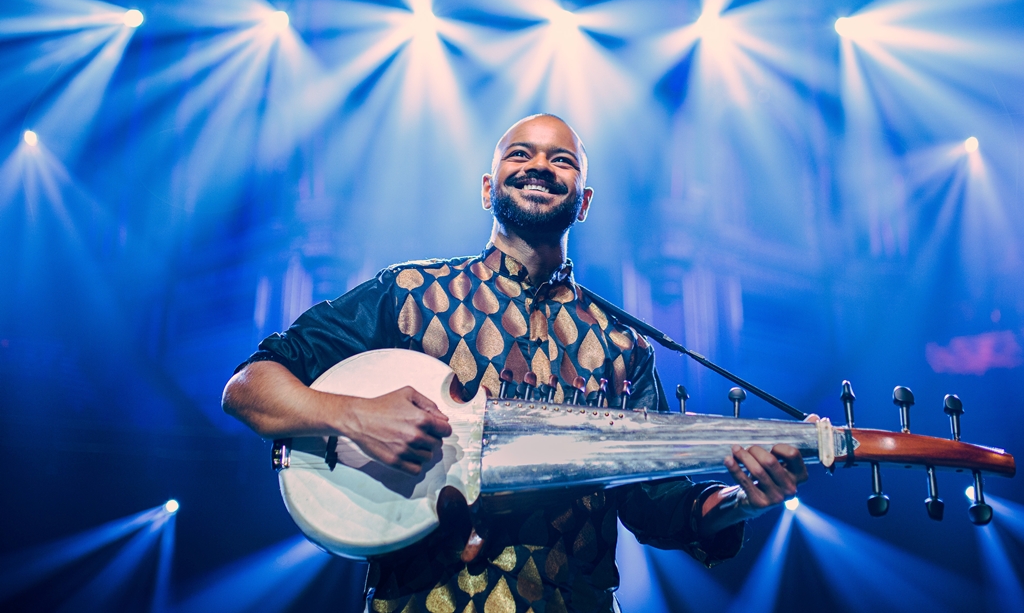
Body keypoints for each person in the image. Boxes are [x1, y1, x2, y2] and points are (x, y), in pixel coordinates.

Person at [223, 114, 810, 613]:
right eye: (520, 154)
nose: (540, 166)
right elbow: (249, 386)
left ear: (584, 201)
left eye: (562, 160)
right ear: (488, 188)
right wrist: (356, 416)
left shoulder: (623, 346)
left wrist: (738, 501)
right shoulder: (408, 295)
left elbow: (656, 507)